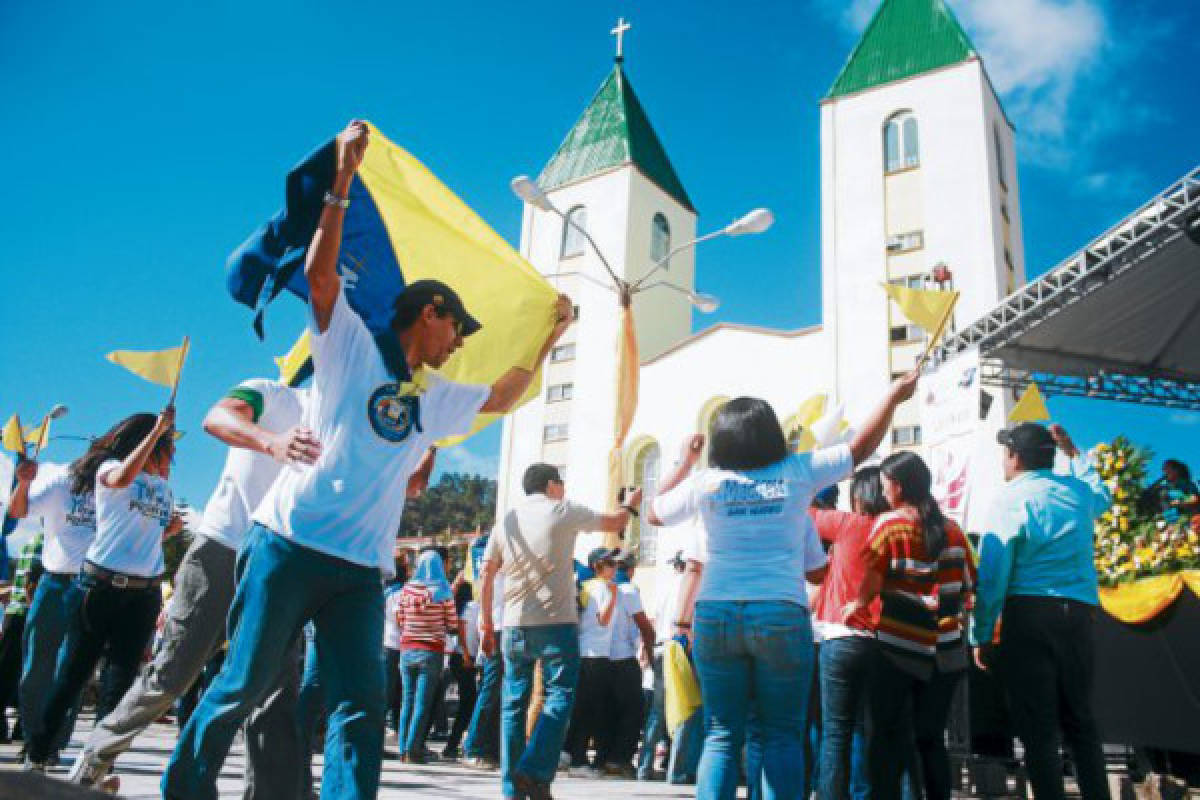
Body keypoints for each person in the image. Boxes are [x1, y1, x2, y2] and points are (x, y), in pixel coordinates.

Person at [164, 119, 573, 800]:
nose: (458, 343)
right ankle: (186, 787)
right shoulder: (350, 344)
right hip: (288, 547)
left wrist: (551, 338)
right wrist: (342, 183)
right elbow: (322, 276)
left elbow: (504, 393)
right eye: (457, 328)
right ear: (430, 311)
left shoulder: (434, 398)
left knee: (360, 708)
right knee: (242, 682)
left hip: (360, 572)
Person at [651, 372, 917, 800]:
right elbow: (859, 450)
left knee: (720, 735)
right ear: (772, 434)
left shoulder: (706, 483)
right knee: (781, 736)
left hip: (716, 613)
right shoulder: (798, 472)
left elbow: (653, 512)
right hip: (780, 612)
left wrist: (684, 461)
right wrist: (892, 397)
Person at [66, 379, 315, 794]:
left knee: (275, 690)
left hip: (278, 564)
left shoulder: (344, 422)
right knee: (174, 675)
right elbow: (217, 417)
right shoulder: (272, 394)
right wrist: (271, 442)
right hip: (222, 550)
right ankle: (95, 758)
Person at [26, 408, 182, 771]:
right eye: (167, 449)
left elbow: (135, 534)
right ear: (150, 445)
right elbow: (124, 478)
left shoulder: (163, 488)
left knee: (120, 682)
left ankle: (95, 763)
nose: (171, 459)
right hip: (101, 587)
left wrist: (167, 533)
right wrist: (157, 428)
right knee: (73, 675)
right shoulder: (108, 470)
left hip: (143, 594)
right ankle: (37, 755)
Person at [477, 463, 640, 800]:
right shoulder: (562, 510)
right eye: (561, 483)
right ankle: (534, 770)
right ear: (552, 485)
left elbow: (488, 572)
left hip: (514, 623)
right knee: (560, 695)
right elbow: (616, 522)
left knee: (513, 704)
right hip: (555, 622)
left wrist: (485, 623)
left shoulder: (505, 521)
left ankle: (513, 788)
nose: (564, 489)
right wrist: (631, 504)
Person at [970, 423, 1113, 800]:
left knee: (1040, 729)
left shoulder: (1009, 498)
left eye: (1005, 452)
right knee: (1081, 722)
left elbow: (993, 575)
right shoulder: (1078, 493)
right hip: (1079, 615)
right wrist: (1075, 454)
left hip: (1030, 614)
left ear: (1015, 457)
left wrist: (982, 634)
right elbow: (1105, 495)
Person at [841, 451, 975, 800]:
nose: (883, 491)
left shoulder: (889, 526)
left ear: (898, 487)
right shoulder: (954, 532)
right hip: (946, 651)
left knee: (884, 736)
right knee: (931, 739)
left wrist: (855, 605)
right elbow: (969, 585)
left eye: (885, 484)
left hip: (897, 649)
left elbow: (870, 581)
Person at [6, 453, 96, 764]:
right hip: (55, 582)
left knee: (71, 671)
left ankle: (51, 745)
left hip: (91, 586)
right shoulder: (61, 483)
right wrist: (25, 482)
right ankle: (32, 739)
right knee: (35, 667)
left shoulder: (115, 488)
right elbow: (18, 510)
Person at [810, 467, 889, 800]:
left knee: (836, 733)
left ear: (858, 496)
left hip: (841, 636)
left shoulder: (846, 524)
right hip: (885, 639)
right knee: (872, 730)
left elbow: (805, 511)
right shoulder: (896, 530)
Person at [395, 548, 460, 763]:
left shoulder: (406, 590)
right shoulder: (442, 591)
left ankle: (403, 747)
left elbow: (400, 619)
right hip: (431, 651)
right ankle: (413, 750)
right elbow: (452, 624)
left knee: (407, 701)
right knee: (422, 704)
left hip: (406, 650)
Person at [565, 546, 620, 778]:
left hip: (583, 651)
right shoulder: (604, 588)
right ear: (599, 566)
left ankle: (569, 753)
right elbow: (604, 620)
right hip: (597, 655)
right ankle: (579, 761)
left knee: (580, 708)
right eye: (610, 563)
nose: (615, 567)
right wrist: (615, 595)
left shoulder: (585, 586)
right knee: (590, 710)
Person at [603, 549, 655, 778]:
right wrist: (650, 650)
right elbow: (643, 625)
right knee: (633, 711)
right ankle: (620, 759)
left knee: (608, 710)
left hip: (601, 658)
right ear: (632, 570)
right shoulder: (629, 590)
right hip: (623, 658)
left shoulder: (599, 588)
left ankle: (605, 757)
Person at [462, 533, 504, 770]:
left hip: (496, 628)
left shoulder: (483, 571)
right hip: (497, 629)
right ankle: (475, 747)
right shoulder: (494, 572)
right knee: (490, 691)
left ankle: (489, 748)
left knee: (495, 692)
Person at [0, 532, 45, 744]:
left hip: (16, 613)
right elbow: (32, 581)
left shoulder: (33, 540)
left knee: (8, 672)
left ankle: (14, 727)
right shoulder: (44, 542)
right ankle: (22, 727)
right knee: (28, 673)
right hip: (26, 613)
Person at [442, 578, 479, 760]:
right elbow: (463, 631)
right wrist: (466, 653)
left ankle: (455, 743)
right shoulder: (471, 607)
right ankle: (453, 745)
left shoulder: (460, 607)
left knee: (468, 702)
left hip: (459, 658)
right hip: (465, 658)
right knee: (468, 703)